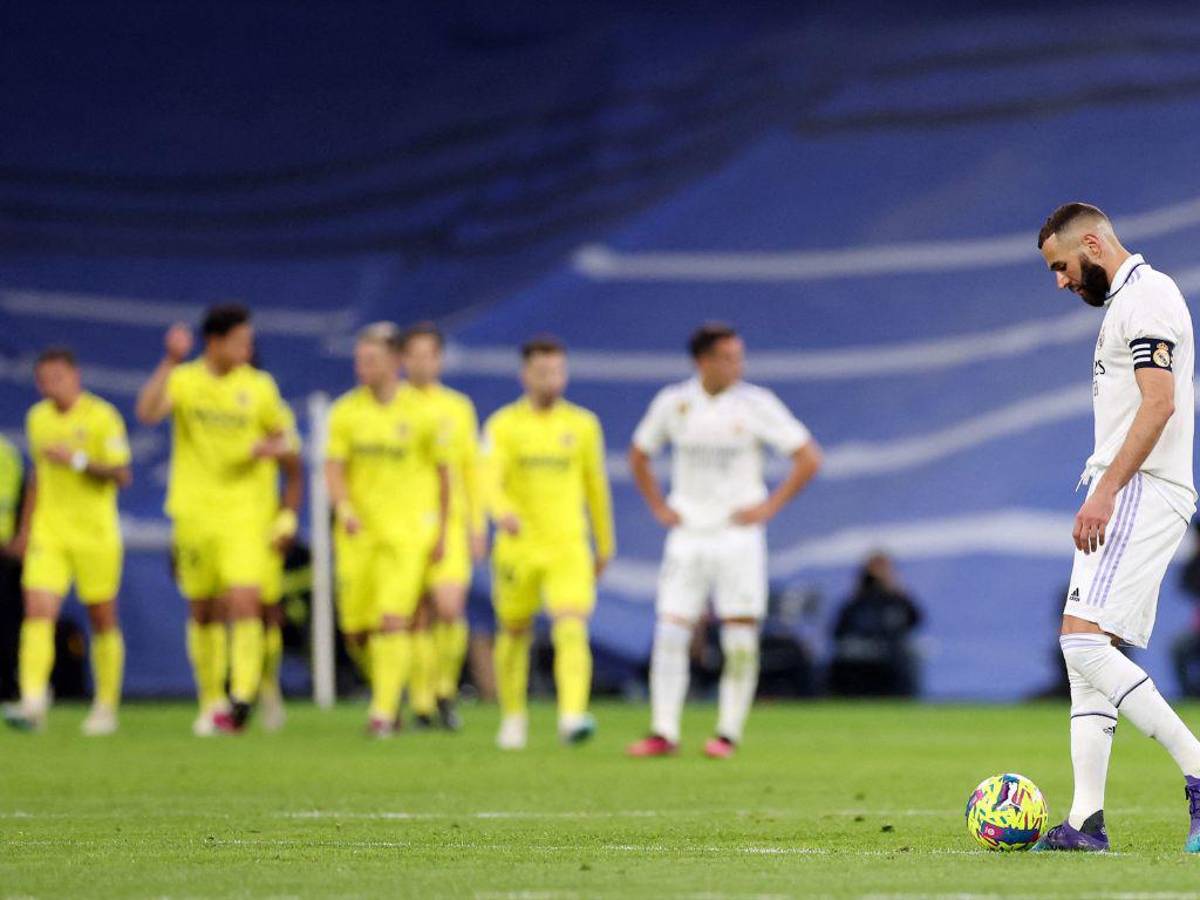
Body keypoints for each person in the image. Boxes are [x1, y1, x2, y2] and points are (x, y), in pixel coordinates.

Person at [1033, 202, 1200, 853]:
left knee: (1080, 644)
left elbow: (1159, 405)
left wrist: (1105, 492)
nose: (1061, 281)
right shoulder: (1128, 304)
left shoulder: (1148, 299)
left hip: (1138, 489)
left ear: (1094, 244)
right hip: (1130, 488)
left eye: (1062, 266)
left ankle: (1195, 765)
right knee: (1086, 657)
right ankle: (1086, 822)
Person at [626, 323, 821, 759]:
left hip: (737, 537)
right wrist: (659, 506)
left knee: (738, 638)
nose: (738, 365)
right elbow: (639, 455)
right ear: (703, 361)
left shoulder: (756, 404)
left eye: (739, 356)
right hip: (689, 534)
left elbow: (808, 457)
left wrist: (768, 508)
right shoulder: (673, 403)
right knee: (671, 631)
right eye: (729, 357)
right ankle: (663, 731)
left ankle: (727, 733)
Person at [136, 305, 293, 734]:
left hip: (245, 513)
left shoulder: (259, 387)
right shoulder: (185, 380)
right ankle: (212, 700)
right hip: (194, 512)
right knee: (203, 610)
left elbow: (286, 441)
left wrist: (272, 451)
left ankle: (242, 697)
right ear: (215, 342)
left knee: (245, 600)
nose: (247, 348)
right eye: (240, 340)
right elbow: (148, 412)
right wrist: (169, 359)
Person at [482, 335, 614, 750]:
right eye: (543, 372)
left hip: (568, 544)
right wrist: (501, 510)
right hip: (518, 545)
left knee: (571, 624)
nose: (551, 379)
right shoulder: (503, 425)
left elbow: (596, 487)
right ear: (525, 375)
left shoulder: (583, 425)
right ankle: (513, 716)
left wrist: (605, 543)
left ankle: (572, 715)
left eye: (558, 371)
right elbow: (487, 478)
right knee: (514, 631)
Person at [324, 322, 449, 738]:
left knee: (393, 621)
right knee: (357, 632)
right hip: (358, 536)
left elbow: (444, 475)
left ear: (394, 362)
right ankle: (388, 694)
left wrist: (444, 531)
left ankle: (382, 712)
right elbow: (334, 468)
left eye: (371, 360)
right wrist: (343, 507)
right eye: (359, 360)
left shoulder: (423, 412)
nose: (362, 367)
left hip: (407, 535)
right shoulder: (345, 412)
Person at [6, 348, 131, 734]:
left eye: (57, 377)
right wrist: (25, 530)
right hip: (50, 532)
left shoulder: (102, 416)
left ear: (75, 376)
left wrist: (77, 460)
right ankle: (32, 700)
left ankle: (106, 705)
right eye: (43, 379)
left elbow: (121, 474)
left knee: (102, 618)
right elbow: (37, 478)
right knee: (38, 610)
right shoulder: (37, 418)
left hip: (95, 534)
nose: (50, 386)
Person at [401, 322, 485, 731]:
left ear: (439, 359)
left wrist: (476, 525)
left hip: (450, 524)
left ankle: (445, 689)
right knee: (415, 614)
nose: (422, 362)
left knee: (449, 608)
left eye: (429, 354)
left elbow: (471, 469)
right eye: (414, 354)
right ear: (403, 359)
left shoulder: (458, 407)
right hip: (403, 526)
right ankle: (420, 702)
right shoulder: (393, 406)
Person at [254, 396, 303, 732]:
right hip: (205, 522)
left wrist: (286, 517)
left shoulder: (264, 402)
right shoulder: (190, 387)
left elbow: (294, 468)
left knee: (262, 612)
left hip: (259, 527)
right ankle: (214, 699)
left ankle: (263, 687)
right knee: (209, 610)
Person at [829, 552, 921, 697]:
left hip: (892, 656)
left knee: (907, 658)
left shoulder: (897, 599)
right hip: (859, 658)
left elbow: (916, 619)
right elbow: (838, 631)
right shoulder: (856, 602)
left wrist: (897, 589)